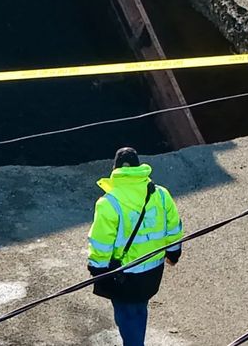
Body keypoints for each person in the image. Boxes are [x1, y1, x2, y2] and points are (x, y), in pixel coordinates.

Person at [87, 147, 183, 346]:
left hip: (125, 275)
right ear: (139, 167)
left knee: (126, 315)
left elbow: (101, 241)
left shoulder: (108, 203)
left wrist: (97, 268)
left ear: (115, 169)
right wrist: (173, 253)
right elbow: (173, 227)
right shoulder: (161, 194)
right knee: (140, 308)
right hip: (153, 270)